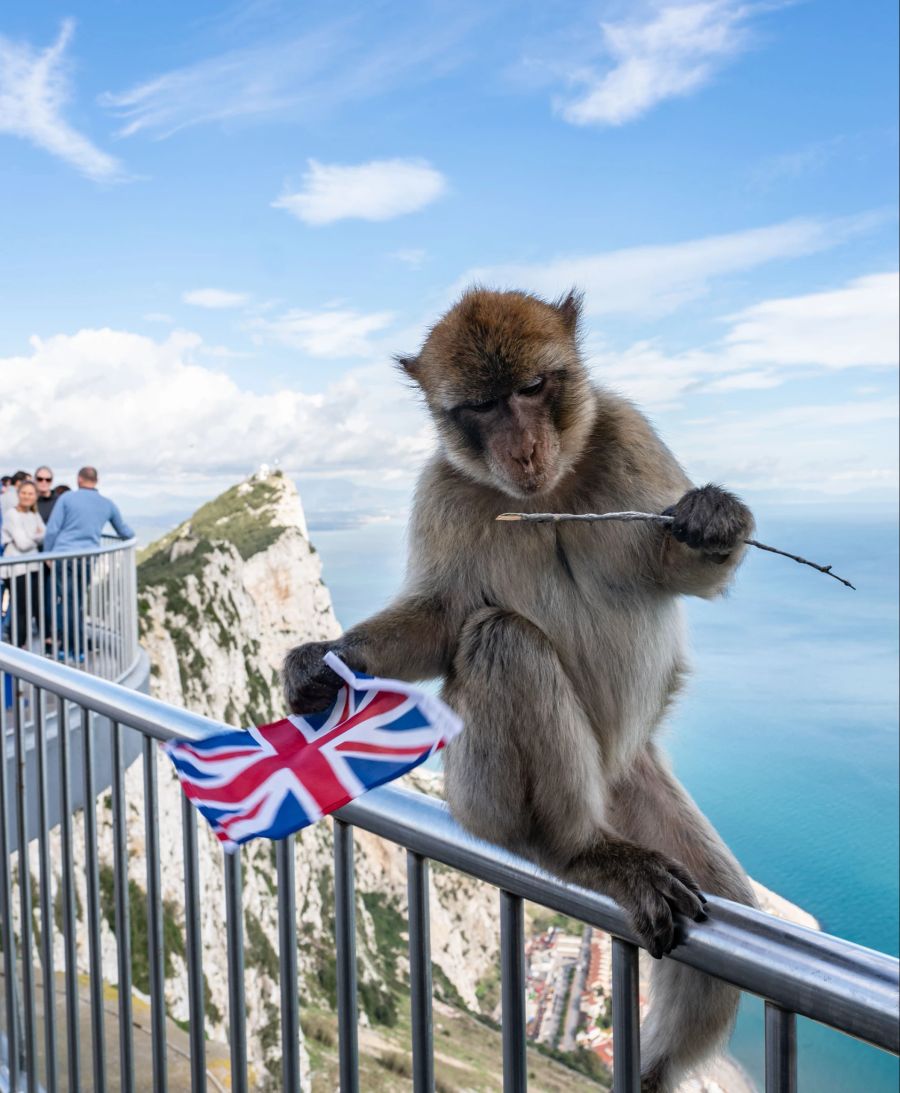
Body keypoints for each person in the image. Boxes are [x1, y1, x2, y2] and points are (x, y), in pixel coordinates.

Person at [43, 466, 134, 657]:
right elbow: (124, 532)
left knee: (66, 602)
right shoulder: (107, 504)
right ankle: (77, 648)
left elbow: (52, 529)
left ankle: (68, 647)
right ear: (96, 480)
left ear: (79, 479)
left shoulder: (66, 498)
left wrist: (47, 554)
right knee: (77, 601)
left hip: (63, 556)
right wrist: (133, 539)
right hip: (86, 559)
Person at [0, 480, 45, 647]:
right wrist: (36, 536)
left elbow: (44, 533)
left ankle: (22, 644)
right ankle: (17, 645)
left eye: (30, 493)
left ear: (35, 496)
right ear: (18, 494)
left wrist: (32, 537)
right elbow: (22, 543)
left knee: (29, 607)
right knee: (19, 608)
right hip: (17, 569)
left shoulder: (34, 514)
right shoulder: (12, 514)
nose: (27, 496)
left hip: (32, 567)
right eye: (24, 493)